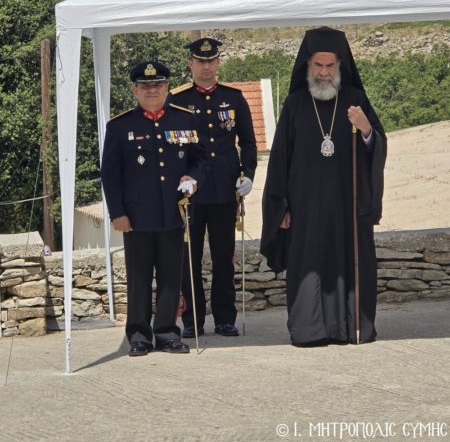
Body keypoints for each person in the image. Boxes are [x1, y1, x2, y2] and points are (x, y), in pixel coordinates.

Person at [261, 27, 387, 346]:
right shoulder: (295, 104)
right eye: (318, 65)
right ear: (307, 65)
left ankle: (349, 327)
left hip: (348, 206)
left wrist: (366, 129)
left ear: (340, 66)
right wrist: (281, 205)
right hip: (306, 208)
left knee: (350, 263)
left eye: (330, 65)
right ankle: (310, 330)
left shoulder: (355, 100)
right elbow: (279, 161)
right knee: (309, 265)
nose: (324, 72)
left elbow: (377, 145)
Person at [100, 60, 206, 356]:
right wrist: (117, 213)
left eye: (157, 85)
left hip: (173, 213)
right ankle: (139, 335)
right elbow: (110, 173)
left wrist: (192, 178)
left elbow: (200, 159)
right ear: (135, 90)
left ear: (167, 88)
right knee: (139, 279)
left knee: (172, 278)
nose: (152, 90)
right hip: (136, 217)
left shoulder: (185, 119)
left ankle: (167, 333)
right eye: (145, 86)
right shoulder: (120, 126)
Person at [170, 37, 257, 338]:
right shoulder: (177, 100)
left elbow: (248, 142)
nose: (206, 67)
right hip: (191, 194)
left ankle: (224, 318)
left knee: (224, 258)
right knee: (188, 259)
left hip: (224, 189)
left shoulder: (234, 98)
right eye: (200, 61)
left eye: (211, 61)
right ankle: (192, 320)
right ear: (190, 64)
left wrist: (247, 174)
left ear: (218, 62)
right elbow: (171, 148)